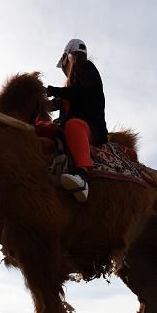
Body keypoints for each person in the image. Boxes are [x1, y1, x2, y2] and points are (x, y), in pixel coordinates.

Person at [46, 39, 108, 202]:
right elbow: (65, 101)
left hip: (90, 126)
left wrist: (55, 91)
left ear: (69, 56)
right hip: (69, 122)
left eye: (64, 62)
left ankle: (82, 177)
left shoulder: (87, 69)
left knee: (74, 126)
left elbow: (81, 93)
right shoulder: (70, 85)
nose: (64, 69)